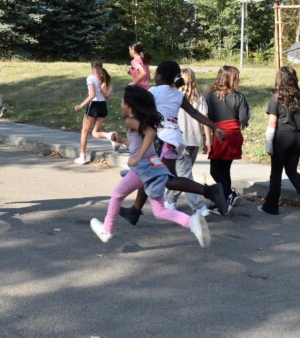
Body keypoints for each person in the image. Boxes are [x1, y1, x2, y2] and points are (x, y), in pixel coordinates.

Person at [89, 86, 228, 247]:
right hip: (155, 168)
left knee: (117, 195)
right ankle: (192, 223)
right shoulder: (142, 120)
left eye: (123, 99)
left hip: (142, 169)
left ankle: (107, 229)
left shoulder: (131, 120)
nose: (121, 102)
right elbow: (137, 142)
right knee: (160, 211)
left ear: (129, 103)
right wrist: (121, 140)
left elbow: (150, 134)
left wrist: (137, 158)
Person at [120, 60, 228, 224]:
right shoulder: (178, 94)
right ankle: (134, 211)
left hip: (161, 139)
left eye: (155, 74)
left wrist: (129, 114)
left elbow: (142, 107)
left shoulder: (153, 91)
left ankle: (210, 192)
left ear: (160, 76)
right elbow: (193, 112)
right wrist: (214, 127)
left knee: (168, 180)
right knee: (148, 173)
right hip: (173, 139)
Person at [258, 66, 300, 217]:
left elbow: (272, 123)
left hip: (282, 137)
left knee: (276, 173)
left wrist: (268, 144)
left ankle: (271, 206)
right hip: (297, 136)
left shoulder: (276, 97)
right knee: (291, 171)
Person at [164, 67, 212, 216]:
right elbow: (205, 121)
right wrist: (207, 140)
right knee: (186, 175)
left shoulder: (175, 97)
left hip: (181, 140)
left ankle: (170, 200)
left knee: (184, 175)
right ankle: (198, 206)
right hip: (192, 140)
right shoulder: (200, 99)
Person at [205, 65, 249, 215]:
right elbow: (243, 118)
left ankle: (230, 196)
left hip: (220, 133)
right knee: (225, 170)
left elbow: (208, 116)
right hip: (234, 133)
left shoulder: (211, 95)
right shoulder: (239, 96)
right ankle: (225, 203)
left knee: (215, 170)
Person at [73, 59, 118, 165]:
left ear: (91, 67)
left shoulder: (91, 78)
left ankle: (82, 156)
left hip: (93, 105)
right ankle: (109, 135)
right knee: (94, 132)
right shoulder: (104, 78)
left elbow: (92, 95)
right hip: (103, 105)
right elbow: (107, 96)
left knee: (84, 131)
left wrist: (80, 106)